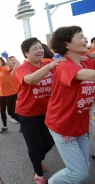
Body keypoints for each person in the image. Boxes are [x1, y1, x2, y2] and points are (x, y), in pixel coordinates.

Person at [46, 26, 95, 183]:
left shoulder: (86, 62)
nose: (85, 40)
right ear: (67, 44)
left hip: (80, 125)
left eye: (84, 36)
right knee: (79, 173)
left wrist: (89, 55)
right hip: (63, 126)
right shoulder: (62, 66)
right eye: (80, 37)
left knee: (84, 167)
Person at [16, 38, 58, 184]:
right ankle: (38, 174)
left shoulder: (47, 63)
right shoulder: (22, 68)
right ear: (26, 53)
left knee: (49, 141)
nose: (39, 50)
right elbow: (31, 80)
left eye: (40, 47)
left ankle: (38, 160)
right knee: (34, 145)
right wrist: (50, 66)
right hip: (27, 114)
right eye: (34, 48)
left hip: (47, 112)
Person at [0, 56, 20, 133]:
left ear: (2, 62)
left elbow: (10, 68)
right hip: (2, 94)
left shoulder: (5, 68)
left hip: (11, 93)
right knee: (2, 111)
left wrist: (7, 58)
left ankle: (23, 124)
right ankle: (5, 126)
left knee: (11, 112)